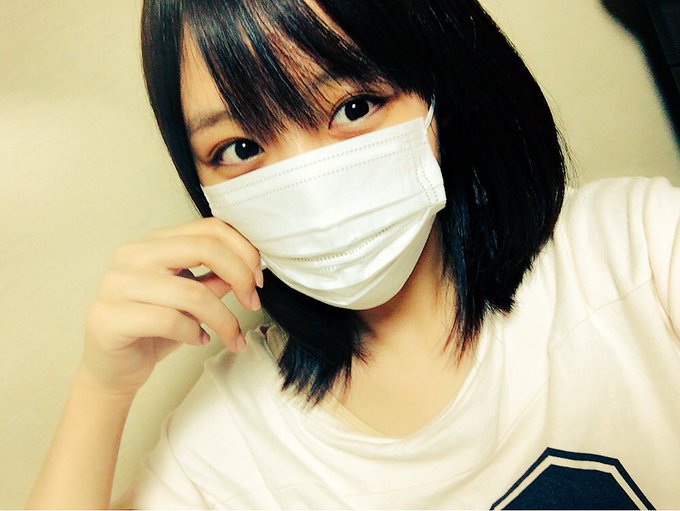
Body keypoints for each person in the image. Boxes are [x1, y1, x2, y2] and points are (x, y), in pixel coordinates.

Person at [27, 0, 680, 508]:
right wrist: (101, 389)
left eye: (353, 106)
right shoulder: (232, 445)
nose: (309, 183)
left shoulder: (636, 252)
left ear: (439, 90)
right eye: (241, 149)